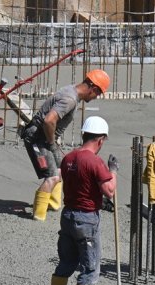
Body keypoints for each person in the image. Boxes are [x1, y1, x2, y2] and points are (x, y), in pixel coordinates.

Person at [44, 116, 117, 285]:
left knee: (66, 263)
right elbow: (109, 191)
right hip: (86, 219)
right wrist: (112, 170)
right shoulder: (94, 161)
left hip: (67, 216)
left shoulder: (68, 158)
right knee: (90, 268)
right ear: (101, 139)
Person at [21, 69, 110, 222]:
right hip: (37, 137)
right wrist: (51, 143)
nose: (96, 97)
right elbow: (49, 120)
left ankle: (53, 205)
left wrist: (52, 141)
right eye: (98, 94)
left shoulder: (71, 91)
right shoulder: (70, 99)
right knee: (52, 176)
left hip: (45, 137)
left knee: (61, 167)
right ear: (93, 89)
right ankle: (38, 216)